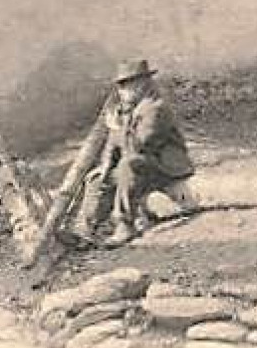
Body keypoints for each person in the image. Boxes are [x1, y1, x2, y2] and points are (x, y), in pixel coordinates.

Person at [73, 58, 194, 247]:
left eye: (125, 86)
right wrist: (105, 166)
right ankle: (88, 230)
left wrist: (115, 127)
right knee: (97, 179)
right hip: (143, 165)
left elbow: (138, 145)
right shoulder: (129, 110)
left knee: (128, 165)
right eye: (120, 86)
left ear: (141, 84)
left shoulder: (155, 108)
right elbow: (114, 145)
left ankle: (125, 225)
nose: (121, 92)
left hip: (166, 167)